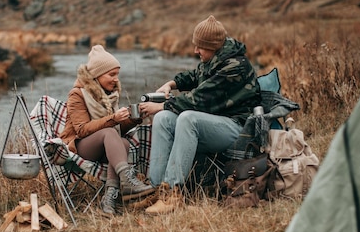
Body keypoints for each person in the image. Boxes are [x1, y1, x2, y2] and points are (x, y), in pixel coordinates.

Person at [139, 15, 261, 215]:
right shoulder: (214, 57)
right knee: (163, 119)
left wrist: (162, 106)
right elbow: (195, 76)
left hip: (237, 129)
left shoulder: (234, 66)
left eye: (200, 47)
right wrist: (171, 84)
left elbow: (200, 99)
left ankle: (173, 194)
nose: (195, 51)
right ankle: (155, 190)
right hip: (213, 125)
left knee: (188, 118)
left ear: (213, 46)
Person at [60, 45, 155, 216]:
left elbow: (116, 128)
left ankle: (109, 199)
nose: (116, 79)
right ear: (96, 75)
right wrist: (113, 119)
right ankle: (127, 180)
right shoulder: (77, 94)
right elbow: (82, 130)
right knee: (110, 132)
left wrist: (134, 118)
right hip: (80, 147)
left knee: (124, 142)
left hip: (105, 145)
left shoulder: (110, 95)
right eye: (112, 75)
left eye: (117, 74)